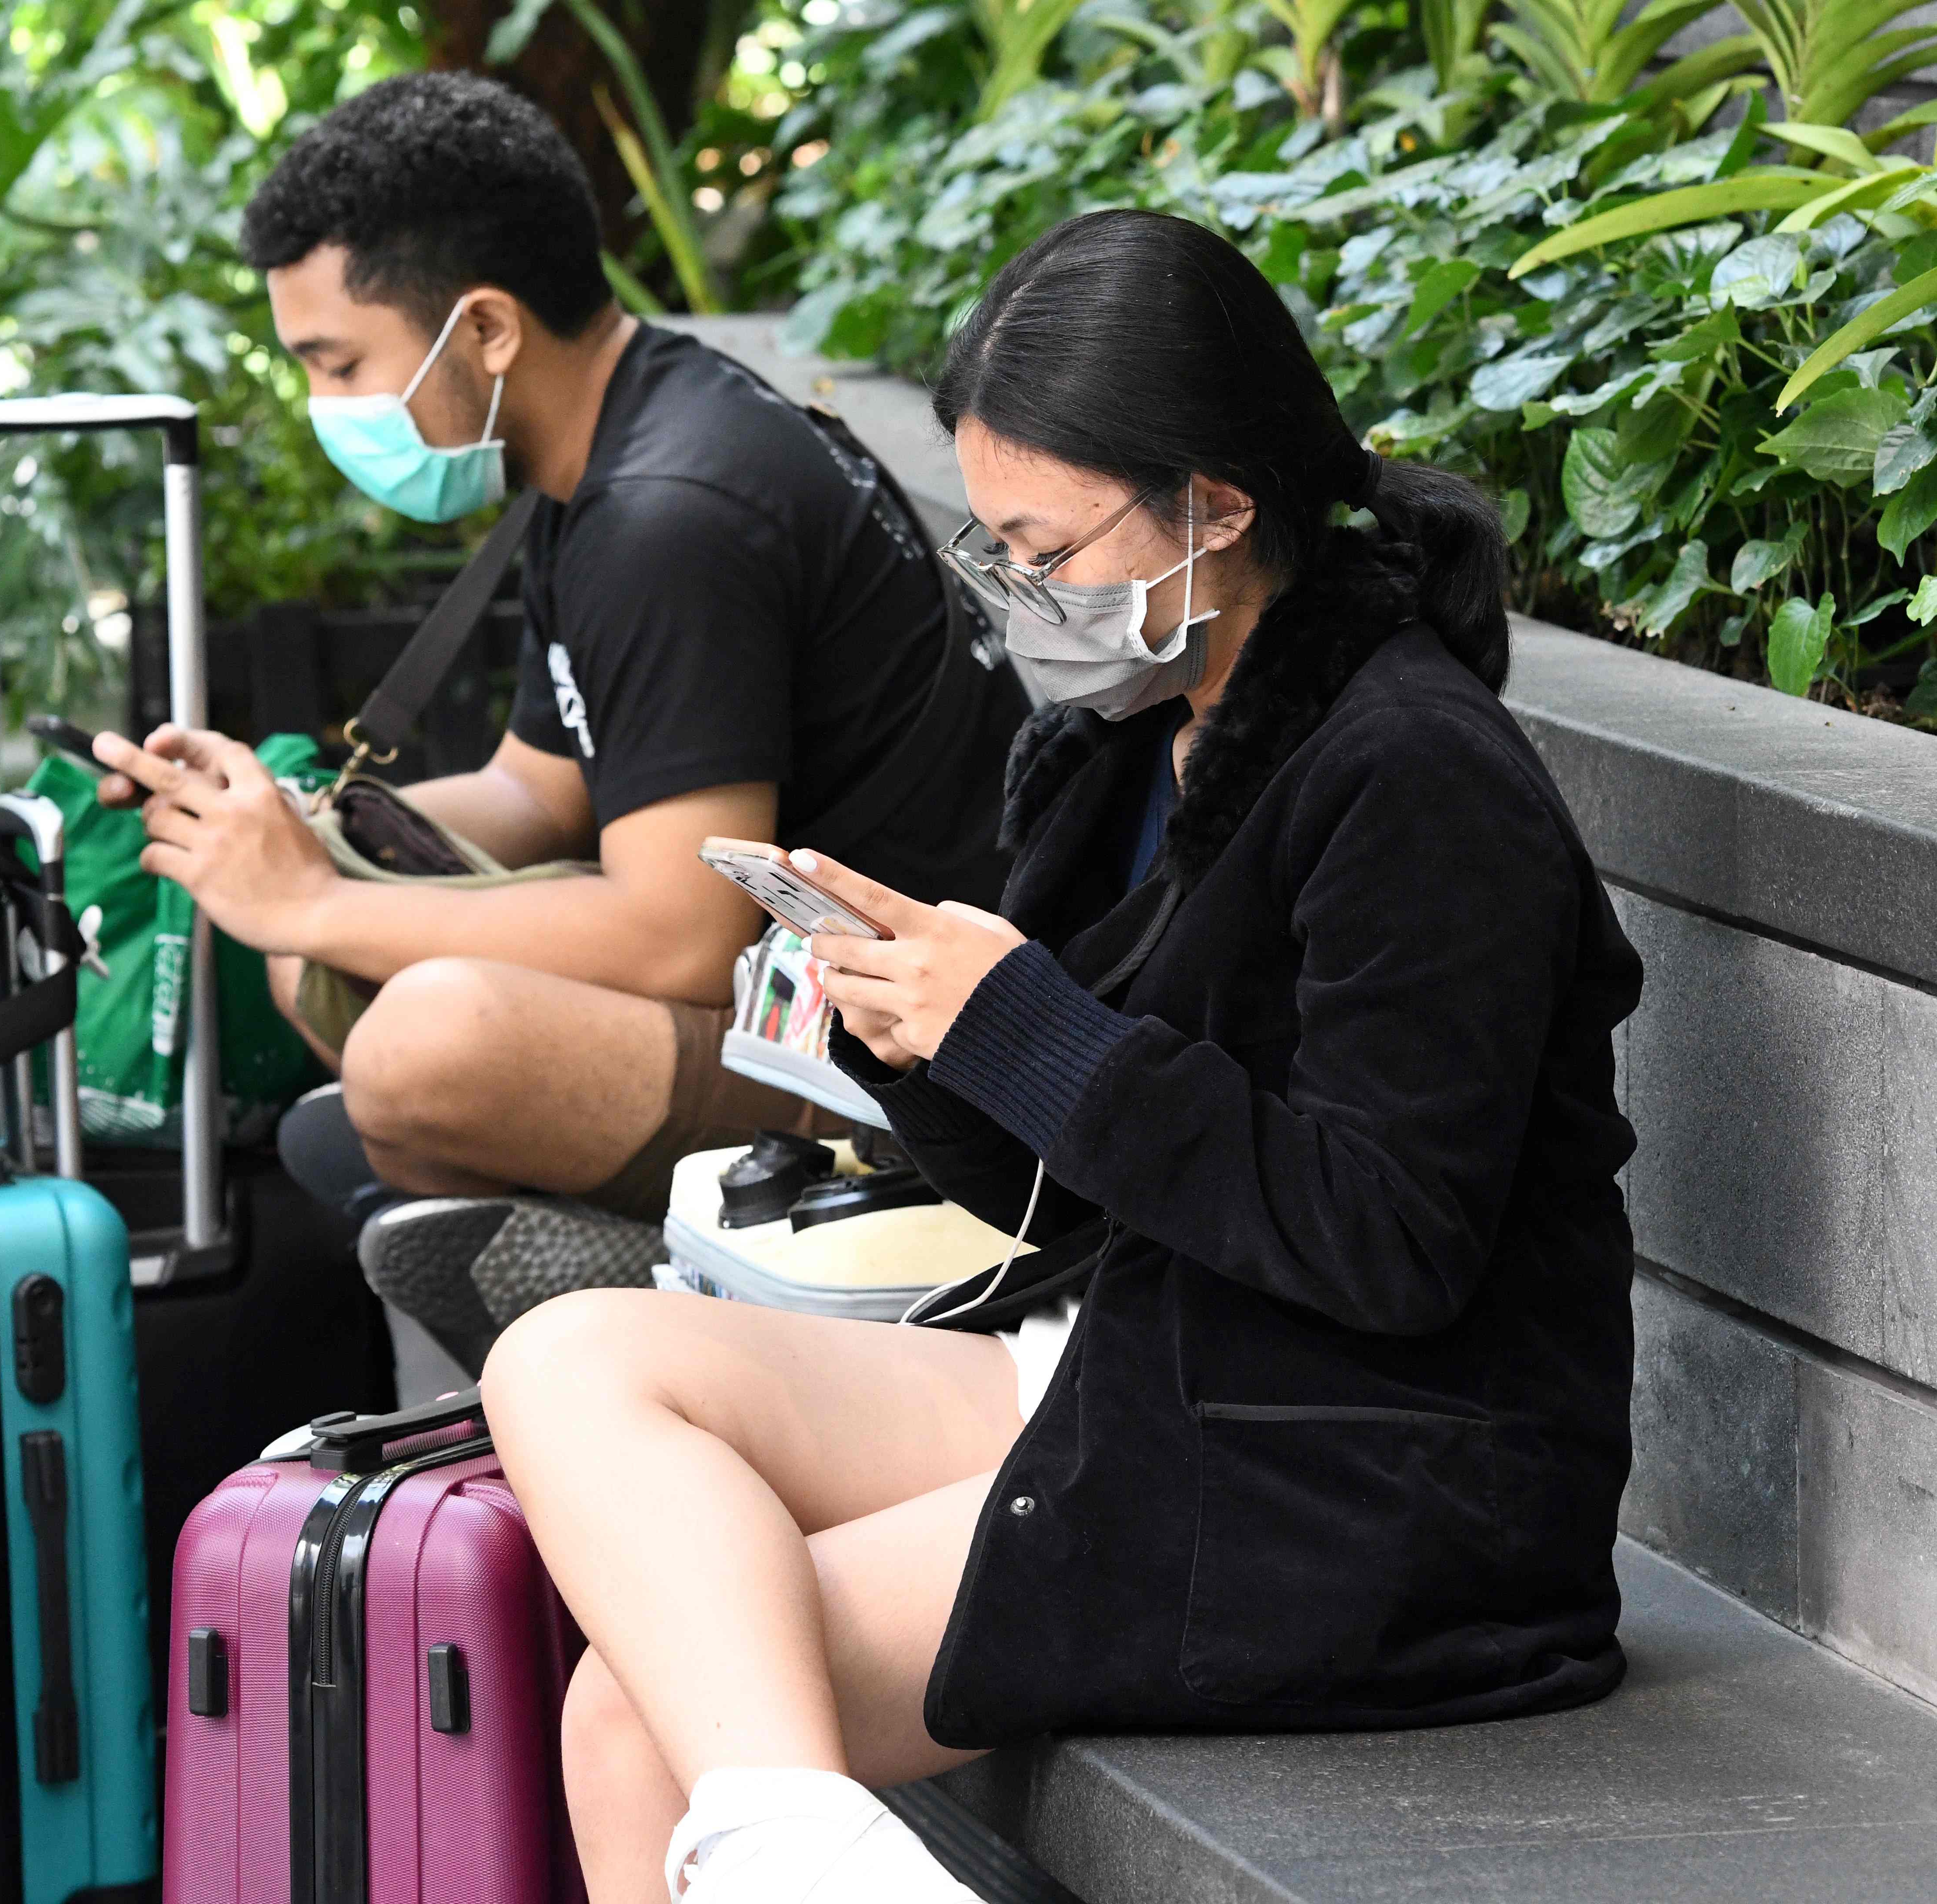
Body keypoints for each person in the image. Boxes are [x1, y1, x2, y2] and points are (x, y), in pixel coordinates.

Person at [478, 206, 1644, 1903]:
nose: (1022, 594)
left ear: (1219, 508)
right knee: (572, 1359)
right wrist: (919, 1033)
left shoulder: (1418, 774)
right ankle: (808, 1847)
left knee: (638, 1722)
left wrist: (1022, 1021)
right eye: (996, 543)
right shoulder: (1129, 743)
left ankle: (796, 1844)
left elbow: (1390, 1239)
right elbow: (1062, 1187)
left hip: (1373, 1467)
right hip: (1163, 1355)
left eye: (1047, 545)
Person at [87, 72, 1023, 1367]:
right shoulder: (610, 457)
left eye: (339, 364)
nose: (329, 409)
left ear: (484, 331)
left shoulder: (668, 512)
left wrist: (309, 900)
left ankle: (694, 1284)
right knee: (338, 989)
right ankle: (630, 1243)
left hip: (901, 1060)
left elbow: (676, 934)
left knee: (419, 1042)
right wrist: (288, 823)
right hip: (786, 993)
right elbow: (544, 791)